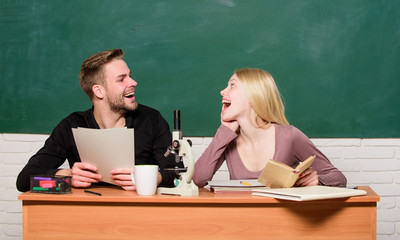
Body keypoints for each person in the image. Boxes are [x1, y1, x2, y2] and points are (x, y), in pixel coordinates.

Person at [16, 49, 181, 192]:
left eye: (130, 76)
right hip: (88, 217)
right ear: (99, 91)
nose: (133, 82)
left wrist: (150, 179)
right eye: (121, 79)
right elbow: (24, 182)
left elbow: (177, 175)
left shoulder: (151, 120)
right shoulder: (71, 126)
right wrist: (66, 177)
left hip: (140, 215)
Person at [193, 68, 347, 188]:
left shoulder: (289, 136)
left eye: (232, 85)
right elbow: (197, 179)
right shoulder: (228, 139)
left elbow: (338, 177)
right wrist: (224, 132)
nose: (223, 91)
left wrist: (318, 180)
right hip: (243, 221)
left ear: (253, 96)